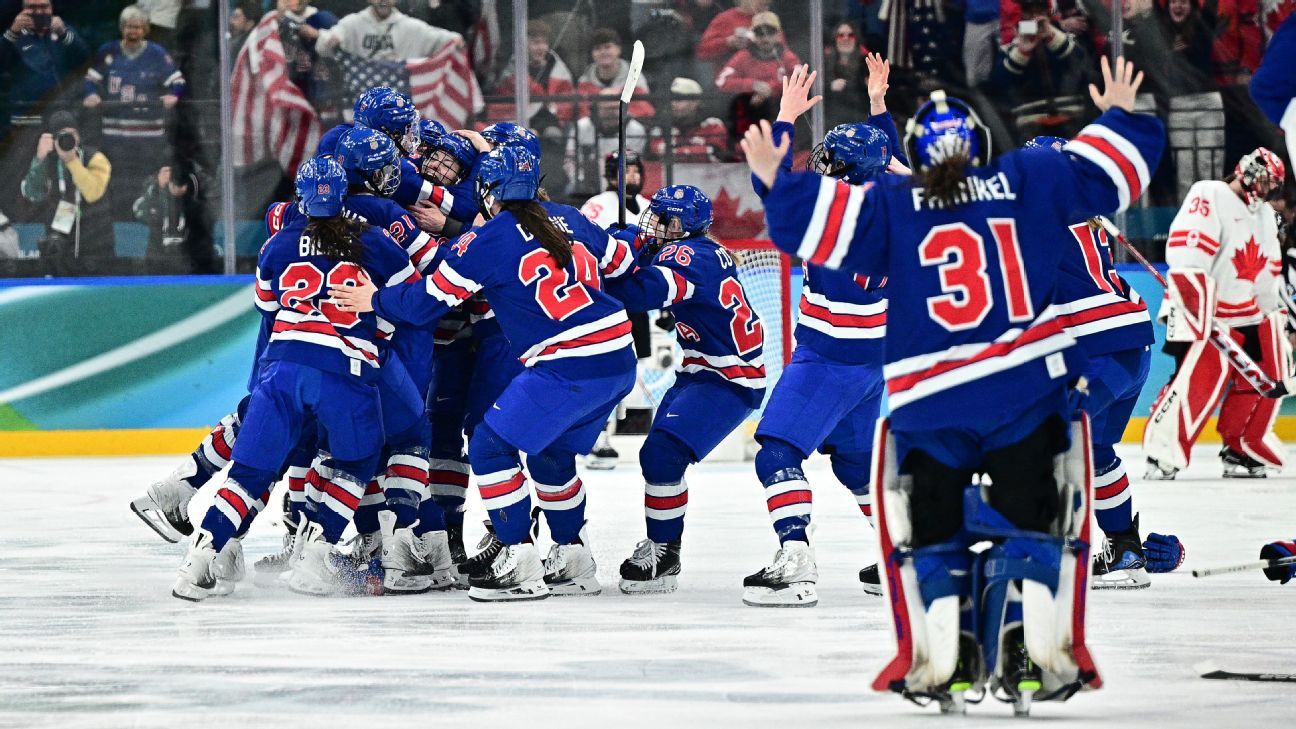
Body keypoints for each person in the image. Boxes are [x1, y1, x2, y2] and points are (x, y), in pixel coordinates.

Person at [742, 57, 1164, 713]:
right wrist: (1119, 116)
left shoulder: (895, 205)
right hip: (1023, 392)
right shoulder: (1024, 181)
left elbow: (800, 218)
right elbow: (1114, 174)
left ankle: (948, 656)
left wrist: (778, 162)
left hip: (929, 396)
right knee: (1035, 527)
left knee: (928, 536)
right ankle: (1032, 648)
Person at [330, 146, 640, 602]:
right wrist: (623, 235)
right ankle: (574, 558)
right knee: (550, 458)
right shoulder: (570, 216)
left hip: (567, 362)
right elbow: (624, 262)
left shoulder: (488, 239)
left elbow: (423, 304)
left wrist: (373, 299)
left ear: (488, 192)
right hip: (618, 355)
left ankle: (517, 557)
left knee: (492, 445)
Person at [171, 156, 419, 600]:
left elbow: (268, 314)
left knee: (248, 472)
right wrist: (376, 327)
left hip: (283, 367)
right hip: (345, 369)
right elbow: (407, 301)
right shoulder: (375, 241)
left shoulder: (277, 247)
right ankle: (317, 553)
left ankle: (202, 557)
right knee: (357, 462)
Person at [741, 63, 900, 608]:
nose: (823, 167)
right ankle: (902, 552)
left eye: (832, 162)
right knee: (855, 464)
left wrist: (784, 118)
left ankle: (797, 560)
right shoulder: (900, 200)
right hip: (873, 359)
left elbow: (773, 181)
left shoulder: (832, 214)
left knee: (776, 452)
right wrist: (879, 106)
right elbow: (890, 157)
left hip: (828, 355)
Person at [610, 184, 767, 593]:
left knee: (661, 455)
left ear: (681, 225)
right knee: (660, 459)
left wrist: (609, 260)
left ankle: (664, 551)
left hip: (727, 379)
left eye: (663, 218)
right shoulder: (697, 249)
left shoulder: (687, 257)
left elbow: (639, 295)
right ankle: (666, 547)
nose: (655, 224)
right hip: (702, 370)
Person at [1143, 147, 1288, 480]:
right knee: (1198, 383)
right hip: (1206, 312)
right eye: (1264, 181)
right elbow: (1188, 254)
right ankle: (1163, 452)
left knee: (1270, 376)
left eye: (1272, 185)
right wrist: (1197, 309)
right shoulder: (1210, 194)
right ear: (1248, 172)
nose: (1266, 190)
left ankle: (1241, 447)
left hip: (1246, 314)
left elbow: (1266, 273)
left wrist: (1273, 315)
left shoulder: (1264, 214)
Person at [83, 5, 186, 221]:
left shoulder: (156, 53)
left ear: (145, 29)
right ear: (122, 28)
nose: (133, 32)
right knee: (116, 183)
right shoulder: (108, 51)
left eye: (138, 28)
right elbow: (90, 80)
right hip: (115, 137)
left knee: (146, 182)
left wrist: (174, 95)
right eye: (129, 27)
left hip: (149, 138)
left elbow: (178, 81)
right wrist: (91, 94)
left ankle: (148, 221)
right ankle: (118, 222)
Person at [20, 110, 113, 271]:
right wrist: (39, 159)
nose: (69, 140)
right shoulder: (47, 161)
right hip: (58, 244)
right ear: (53, 139)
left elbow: (93, 192)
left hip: (96, 242)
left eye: (73, 134)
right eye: (63, 135)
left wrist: (72, 161)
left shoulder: (95, 158)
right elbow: (32, 194)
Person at [989, 0, 1093, 138]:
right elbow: (999, 82)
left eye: (1040, 12)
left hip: (1072, 118)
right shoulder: (1012, 41)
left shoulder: (1062, 35)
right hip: (1031, 123)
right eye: (1029, 13)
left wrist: (1052, 36)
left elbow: (1082, 64)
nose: (1035, 18)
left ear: (1048, 13)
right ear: (1022, 15)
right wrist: (1022, 52)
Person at [715, 11, 801, 138]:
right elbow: (721, 82)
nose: (765, 38)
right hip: (749, 116)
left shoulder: (788, 57)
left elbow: (802, 79)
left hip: (780, 114)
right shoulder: (743, 56)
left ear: (778, 34)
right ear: (753, 35)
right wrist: (753, 85)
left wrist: (770, 88)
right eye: (760, 33)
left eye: (770, 32)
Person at [1, 0, 90, 121]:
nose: (38, 11)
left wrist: (63, 34)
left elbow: (85, 60)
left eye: (43, 7)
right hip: (26, 114)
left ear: (51, 8)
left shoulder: (63, 30)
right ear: (23, 9)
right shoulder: (13, 35)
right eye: (32, 7)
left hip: (63, 113)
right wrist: (12, 33)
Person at [315, 0, 463, 63]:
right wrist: (329, 40)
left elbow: (436, 37)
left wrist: (454, 39)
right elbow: (326, 42)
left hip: (397, 98)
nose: (383, 0)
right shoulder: (353, 23)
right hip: (362, 97)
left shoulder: (408, 26)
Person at [132, 161, 214, 271]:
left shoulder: (197, 207)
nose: (177, 184)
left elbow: (209, 218)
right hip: (157, 262)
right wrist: (158, 187)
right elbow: (140, 213)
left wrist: (191, 191)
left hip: (190, 263)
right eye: (174, 179)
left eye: (182, 180)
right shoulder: (156, 199)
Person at [568, 88, 648, 194]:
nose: (613, 113)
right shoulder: (581, 127)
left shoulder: (636, 129)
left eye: (616, 108)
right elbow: (570, 161)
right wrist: (580, 180)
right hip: (587, 183)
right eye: (608, 109)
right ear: (598, 109)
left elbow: (636, 165)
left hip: (623, 183)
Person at [575, 27, 655, 119]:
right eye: (597, 49)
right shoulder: (585, 81)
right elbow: (581, 112)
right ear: (592, 54)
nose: (603, 52)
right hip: (596, 128)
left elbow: (644, 109)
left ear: (618, 49)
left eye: (607, 47)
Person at [647, 77, 730, 162]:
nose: (673, 104)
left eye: (679, 99)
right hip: (671, 175)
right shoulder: (662, 126)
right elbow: (656, 150)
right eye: (671, 99)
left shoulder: (713, 125)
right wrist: (697, 151)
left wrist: (675, 152)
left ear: (695, 102)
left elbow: (715, 154)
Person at [275, 0, 339, 104]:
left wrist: (318, 34)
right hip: (290, 85)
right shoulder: (279, 21)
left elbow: (342, 44)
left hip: (320, 85)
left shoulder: (324, 18)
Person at [823, 20, 871, 128]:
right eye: (841, 35)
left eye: (850, 35)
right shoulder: (823, 63)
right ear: (835, 39)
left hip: (860, 119)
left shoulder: (867, 63)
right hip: (831, 121)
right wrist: (830, 86)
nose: (846, 38)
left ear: (856, 39)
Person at [696, 0, 771, 64]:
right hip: (732, 73)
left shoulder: (770, 20)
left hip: (767, 72)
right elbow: (703, 50)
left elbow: (781, 49)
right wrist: (727, 42)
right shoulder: (725, 19)